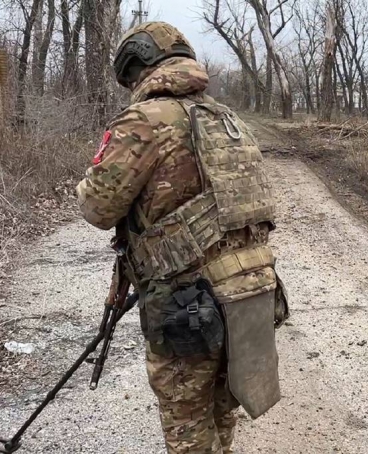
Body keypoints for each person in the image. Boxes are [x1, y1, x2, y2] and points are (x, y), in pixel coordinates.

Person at [76, 22, 288, 453]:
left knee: (188, 429)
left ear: (135, 69)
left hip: (189, 303)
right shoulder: (227, 119)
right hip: (252, 291)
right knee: (220, 410)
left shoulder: (145, 121)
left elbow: (97, 209)